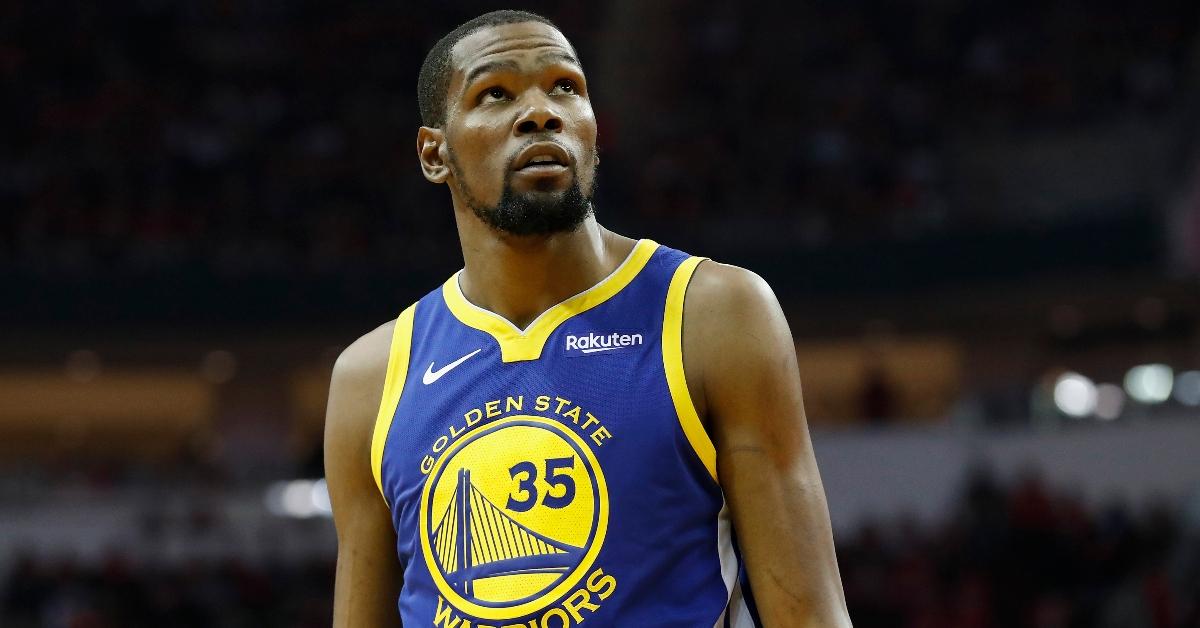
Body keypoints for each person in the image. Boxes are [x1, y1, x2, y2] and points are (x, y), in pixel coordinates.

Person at [324, 10, 850, 627]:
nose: (541, 112)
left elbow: (809, 615)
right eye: (496, 94)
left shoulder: (714, 314)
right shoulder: (371, 377)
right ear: (434, 153)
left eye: (565, 87)